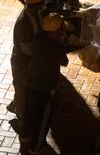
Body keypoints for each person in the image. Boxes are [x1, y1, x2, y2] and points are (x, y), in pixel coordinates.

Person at [21, 13, 69, 154]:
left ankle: (25, 137)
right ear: (55, 31)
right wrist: (62, 43)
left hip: (30, 84)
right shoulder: (55, 47)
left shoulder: (38, 39)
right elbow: (64, 62)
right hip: (45, 89)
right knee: (43, 120)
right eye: (61, 29)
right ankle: (36, 146)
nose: (63, 31)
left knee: (29, 113)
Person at [8, 0, 45, 134]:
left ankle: (16, 104)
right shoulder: (23, 23)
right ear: (35, 5)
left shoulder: (35, 14)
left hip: (27, 62)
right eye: (41, 3)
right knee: (22, 90)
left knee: (22, 88)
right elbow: (27, 49)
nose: (43, 5)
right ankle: (22, 120)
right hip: (22, 63)